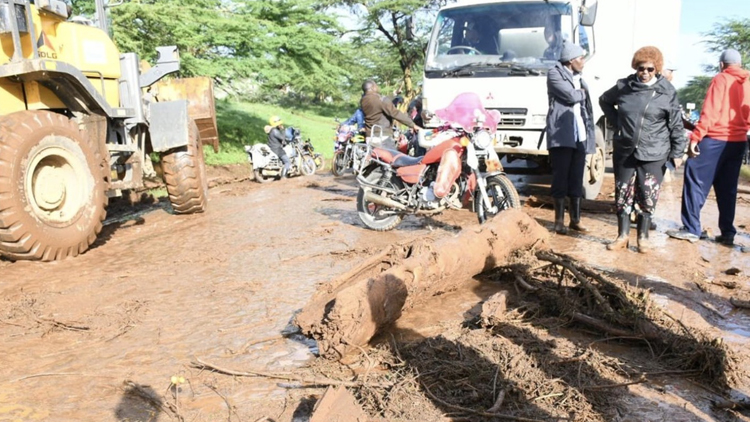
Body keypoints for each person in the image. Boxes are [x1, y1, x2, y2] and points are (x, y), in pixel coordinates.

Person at [599, 46, 686, 253]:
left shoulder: (666, 91)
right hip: (625, 151)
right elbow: (604, 101)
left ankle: (643, 238)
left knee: (647, 195)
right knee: (623, 194)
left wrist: (678, 152)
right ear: (635, 67)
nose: (645, 73)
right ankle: (622, 236)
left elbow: (676, 124)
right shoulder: (624, 86)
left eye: (649, 69)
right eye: (641, 68)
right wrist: (618, 123)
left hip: (654, 152)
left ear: (657, 69)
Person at [667, 49, 750, 245]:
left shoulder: (721, 79)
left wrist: (696, 137)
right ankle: (727, 233)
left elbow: (711, 111)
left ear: (722, 64)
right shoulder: (747, 81)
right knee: (727, 187)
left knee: (695, 179)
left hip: (715, 138)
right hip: (738, 141)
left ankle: (691, 228)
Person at [545, 41, 596, 235]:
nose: (583, 62)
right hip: (561, 135)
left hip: (579, 134)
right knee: (560, 178)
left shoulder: (579, 78)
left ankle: (575, 219)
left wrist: (580, 92)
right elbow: (571, 96)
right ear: (570, 60)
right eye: (581, 58)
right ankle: (559, 221)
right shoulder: (554, 73)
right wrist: (580, 93)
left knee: (576, 178)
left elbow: (584, 104)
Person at [360, 80, 419, 149]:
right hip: (383, 136)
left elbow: (382, 101)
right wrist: (413, 125)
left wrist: (395, 93)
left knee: (375, 158)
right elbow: (396, 113)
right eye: (376, 86)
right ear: (373, 88)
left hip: (370, 136)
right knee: (393, 158)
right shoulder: (381, 100)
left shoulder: (363, 100)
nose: (378, 88)